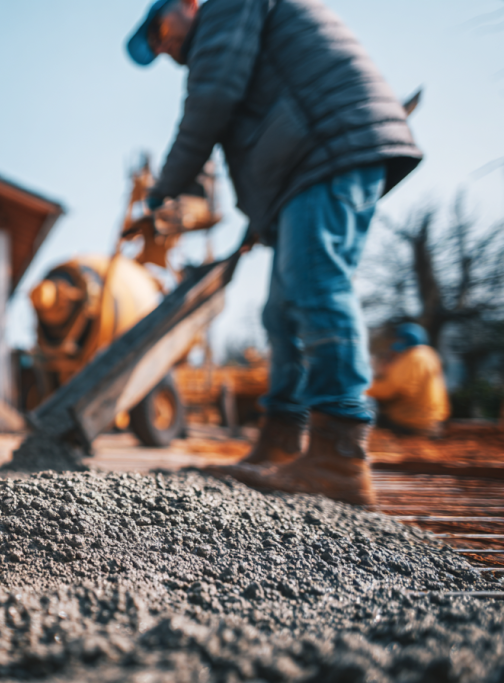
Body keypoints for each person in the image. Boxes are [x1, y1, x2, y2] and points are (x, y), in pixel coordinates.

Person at [126, 0, 422, 506]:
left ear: (187, 3)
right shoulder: (230, 28)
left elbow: (211, 104)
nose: (162, 46)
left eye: (159, 28)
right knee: (280, 313)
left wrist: (161, 192)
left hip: (328, 146)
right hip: (305, 162)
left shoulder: (226, 8)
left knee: (316, 286)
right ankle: (281, 439)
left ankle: (339, 453)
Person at [368, 323, 450, 438]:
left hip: (412, 421)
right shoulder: (430, 354)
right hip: (433, 420)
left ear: (404, 340)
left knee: (367, 416)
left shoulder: (413, 357)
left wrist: (364, 388)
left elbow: (391, 390)